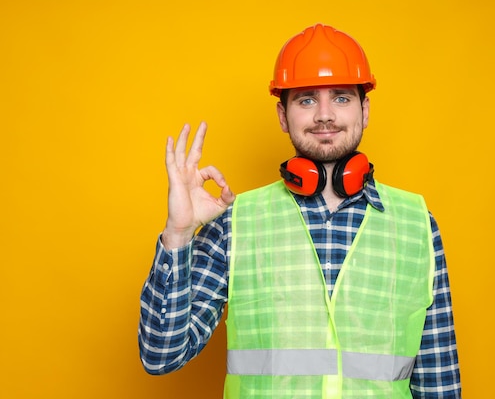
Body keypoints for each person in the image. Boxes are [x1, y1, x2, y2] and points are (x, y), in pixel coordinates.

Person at [139, 23, 462, 398]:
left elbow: (439, 382)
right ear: (282, 115)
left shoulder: (416, 225)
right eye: (307, 100)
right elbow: (160, 355)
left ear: (365, 109)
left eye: (341, 98)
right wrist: (178, 235)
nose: (324, 115)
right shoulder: (235, 223)